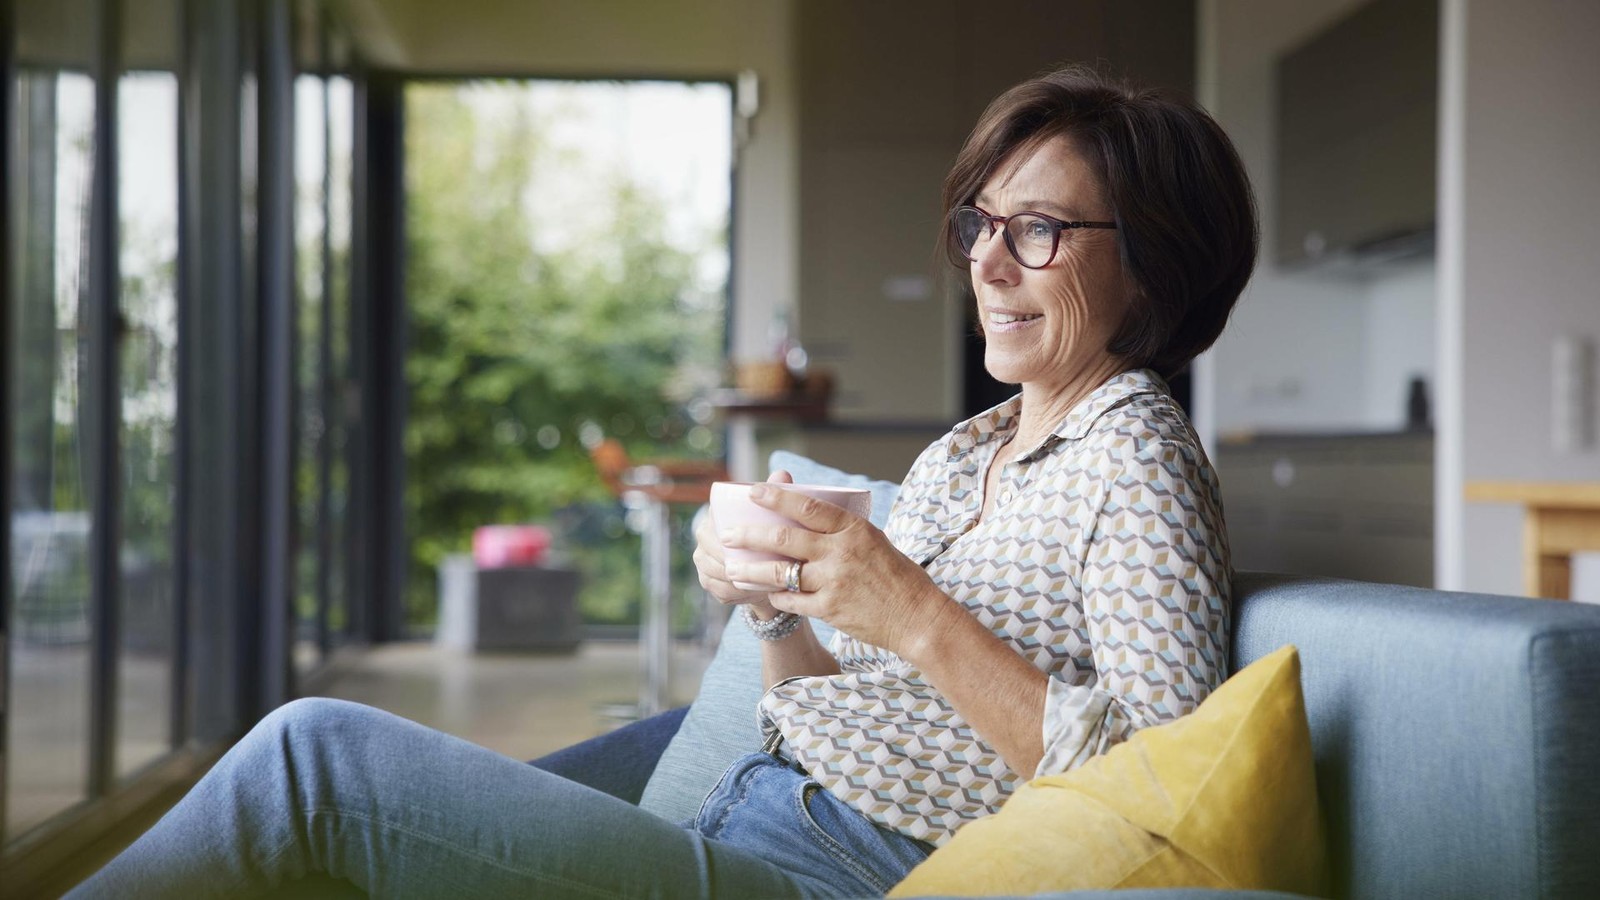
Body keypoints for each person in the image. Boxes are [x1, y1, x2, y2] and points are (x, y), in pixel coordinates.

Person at [70, 64, 1256, 899]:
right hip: (759, 797)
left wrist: (911, 609)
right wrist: (776, 607)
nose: (987, 261)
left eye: (1037, 230)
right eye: (978, 223)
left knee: (313, 758)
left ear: (1150, 263)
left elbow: (1159, 790)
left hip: (823, 870)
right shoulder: (964, 451)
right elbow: (836, 701)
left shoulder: (1138, 458)